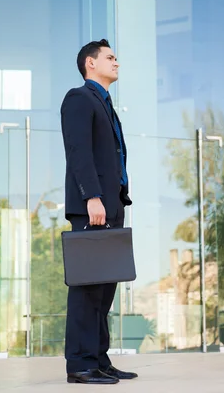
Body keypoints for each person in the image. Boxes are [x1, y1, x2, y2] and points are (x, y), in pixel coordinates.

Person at [60, 39, 136, 385]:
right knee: (87, 288)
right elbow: (78, 152)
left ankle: (99, 360)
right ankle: (79, 364)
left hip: (111, 206)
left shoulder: (106, 105)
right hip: (93, 207)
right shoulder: (79, 98)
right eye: (110, 57)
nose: (116, 63)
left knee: (105, 290)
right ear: (91, 64)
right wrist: (91, 196)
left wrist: (115, 198)